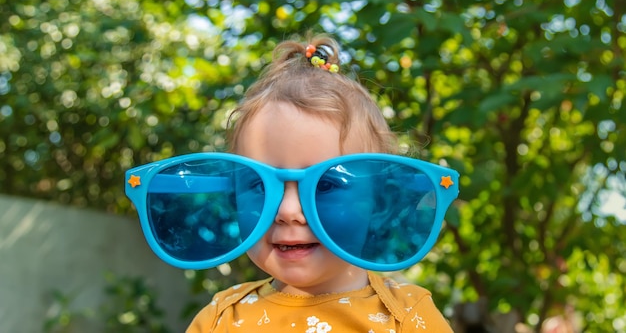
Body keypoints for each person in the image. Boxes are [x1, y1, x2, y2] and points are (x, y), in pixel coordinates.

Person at [125, 33, 459, 332]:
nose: (287, 211)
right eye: (258, 185)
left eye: (326, 185)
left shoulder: (406, 318)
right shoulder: (221, 320)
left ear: (380, 204)